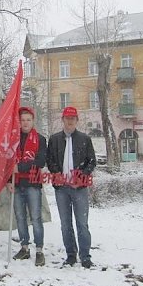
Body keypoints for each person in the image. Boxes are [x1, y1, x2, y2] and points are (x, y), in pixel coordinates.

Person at [46, 106, 97, 268]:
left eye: (73, 118)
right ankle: (70, 254)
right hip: (61, 188)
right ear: (62, 120)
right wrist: (57, 174)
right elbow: (50, 159)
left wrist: (81, 175)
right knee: (65, 223)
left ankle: (85, 256)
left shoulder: (84, 139)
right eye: (67, 118)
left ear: (77, 121)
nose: (70, 121)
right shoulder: (54, 139)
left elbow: (92, 161)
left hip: (79, 188)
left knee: (82, 223)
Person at [6, 107, 47, 266]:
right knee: (20, 217)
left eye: (28, 120)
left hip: (32, 183)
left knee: (36, 218)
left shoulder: (40, 139)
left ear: (33, 121)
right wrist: (9, 179)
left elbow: (40, 161)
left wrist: (21, 167)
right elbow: (8, 161)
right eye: (22, 120)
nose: (25, 123)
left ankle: (39, 250)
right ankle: (24, 247)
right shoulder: (13, 139)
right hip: (16, 184)